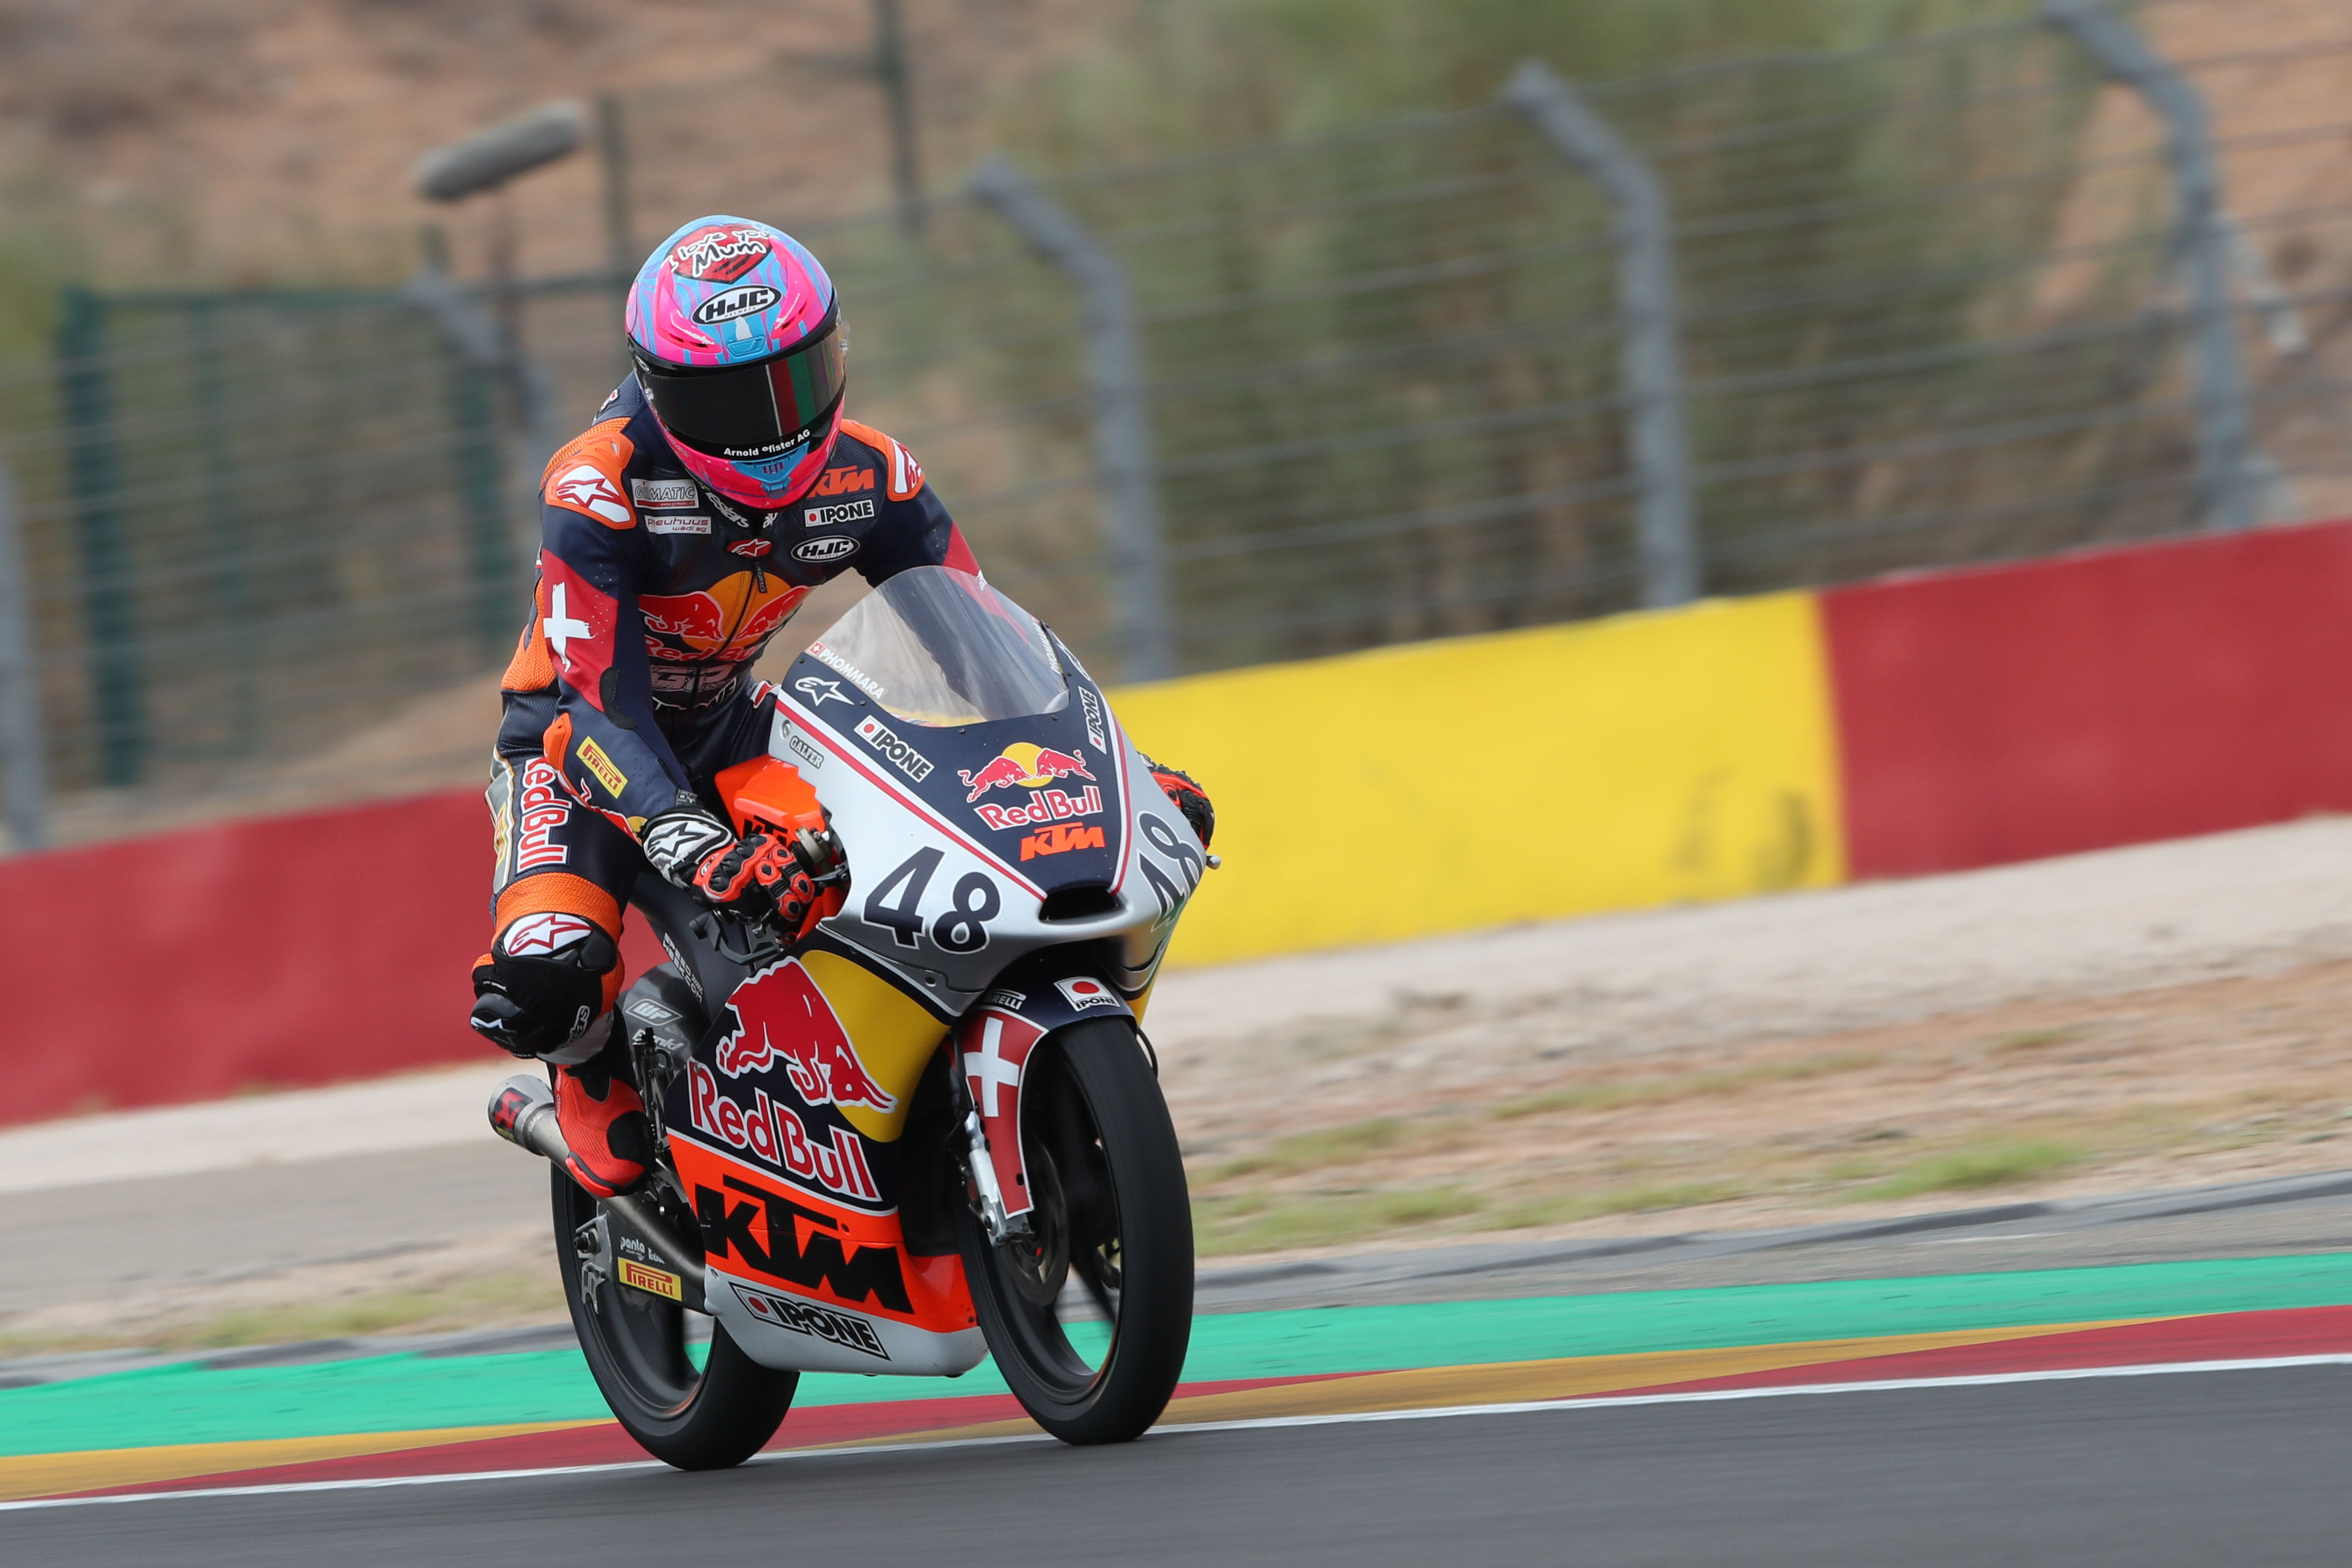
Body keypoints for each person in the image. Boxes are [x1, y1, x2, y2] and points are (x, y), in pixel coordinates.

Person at [470, 216, 1213, 1198]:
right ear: (657, 389)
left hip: (733, 723)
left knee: (851, 882)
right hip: (573, 749)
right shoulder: (597, 488)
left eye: (795, 381)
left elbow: (985, 654)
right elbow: (595, 706)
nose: (772, 427)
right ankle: (588, 1068)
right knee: (549, 977)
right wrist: (687, 838)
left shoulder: (873, 474)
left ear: (837, 354)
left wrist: (1107, 777)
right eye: (730, 399)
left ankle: (855, 1105)